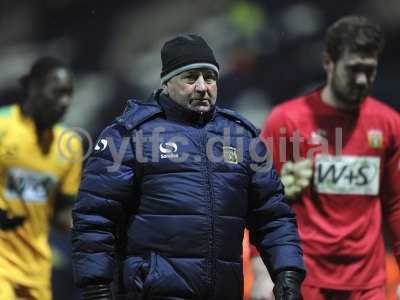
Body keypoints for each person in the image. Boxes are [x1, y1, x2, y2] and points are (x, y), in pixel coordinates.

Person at [71, 34, 305, 300]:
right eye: (191, 78)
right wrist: (96, 287)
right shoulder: (128, 136)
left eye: (210, 77)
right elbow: (95, 217)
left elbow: (273, 215)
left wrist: (287, 273)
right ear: (167, 83)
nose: (203, 86)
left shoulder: (242, 138)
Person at [262, 16, 400, 299]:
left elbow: (396, 203)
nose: (362, 79)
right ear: (328, 63)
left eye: (369, 70)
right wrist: (262, 268)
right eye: (353, 69)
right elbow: (261, 201)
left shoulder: (389, 124)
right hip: (307, 279)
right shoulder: (286, 121)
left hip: (368, 283)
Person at [0, 56, 82, 300]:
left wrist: (95, 228)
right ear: (34, 87)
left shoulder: (70, 145)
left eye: (69, 94)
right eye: (57, 93)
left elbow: (61, 215)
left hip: (36, 267)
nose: (64, 102)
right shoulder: (3, 126)